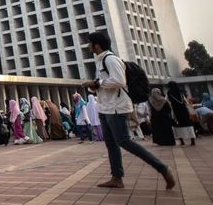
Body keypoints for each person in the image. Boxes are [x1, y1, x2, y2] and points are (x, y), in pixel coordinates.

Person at [82, 31, 175, 189]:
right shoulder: (100, 61)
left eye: (89, 42)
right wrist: (95, 86)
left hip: (116, 107)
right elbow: (105, 84)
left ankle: (162, 168)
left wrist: (96, 83)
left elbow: (119, 81)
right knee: (111, 144)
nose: (88, 45)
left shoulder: (110, 59)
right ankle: (117, 177)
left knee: (124, 141)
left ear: (97, 44)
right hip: (105, 107)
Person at [166, 81, 196, 146]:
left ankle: (182, 141)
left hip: (175, 112)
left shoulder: (169, 93)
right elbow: (186, 102)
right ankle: (192, 140)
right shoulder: (180, 92)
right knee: (188, 124)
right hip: (184, 111)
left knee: (178, 126)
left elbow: (167, 102)